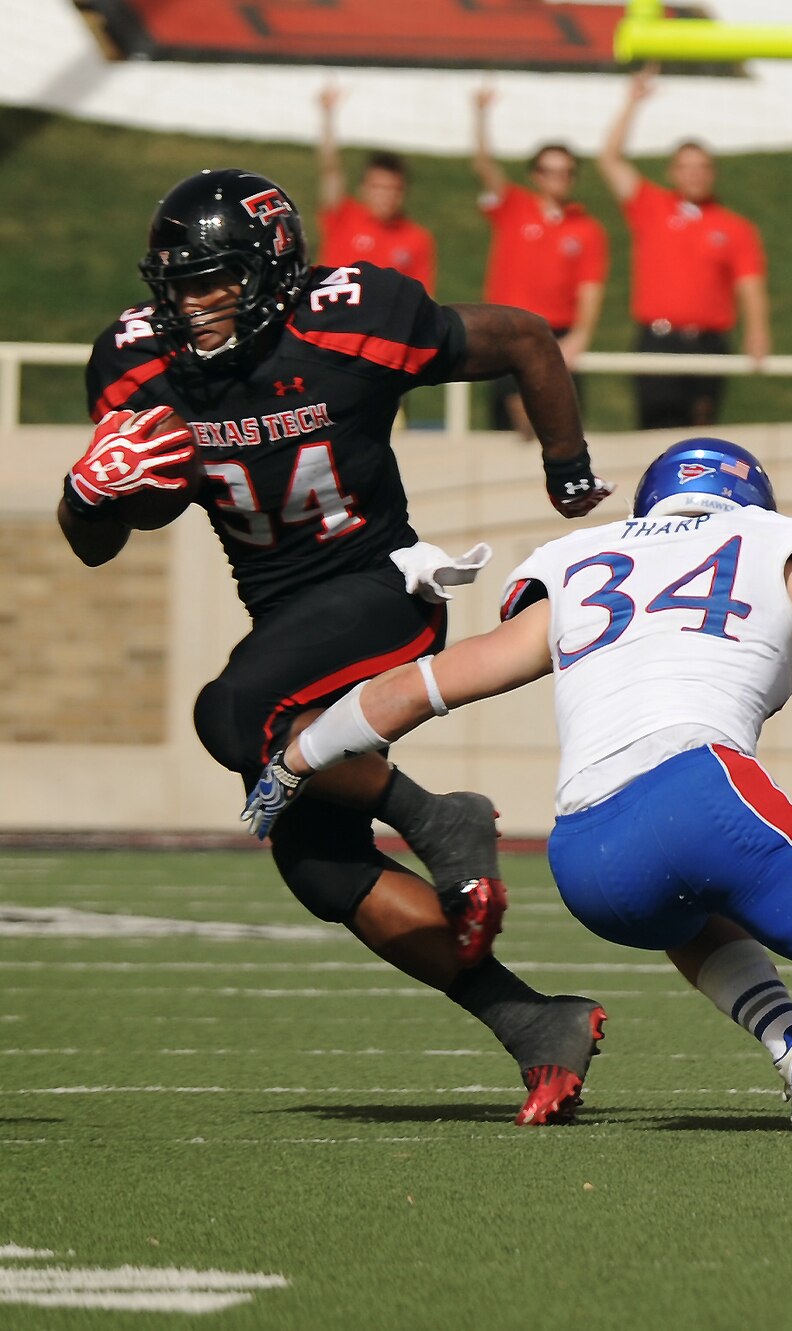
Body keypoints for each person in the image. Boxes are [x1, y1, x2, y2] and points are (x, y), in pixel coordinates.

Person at [244, 437, 792, 1145]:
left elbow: (416, 689)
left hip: (586, 853)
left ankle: (791, 1042)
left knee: (687, 904)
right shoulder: (778, 551)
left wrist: (292, 761)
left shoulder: (579, 566)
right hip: (700, 790)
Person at [62, 168, 620, 1126]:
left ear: (273, 271)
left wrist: (567, 470)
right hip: (283, 620)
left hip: (380, 589)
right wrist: (88, 493)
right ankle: (536, 1022)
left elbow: (528, 337)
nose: (191, 308)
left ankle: (440, 820)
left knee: (235, 713)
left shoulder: (352, 320)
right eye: (179, 285)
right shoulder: (139, 367)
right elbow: (96, 542)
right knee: (318, 863)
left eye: (214, 283)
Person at [598, 64, 771, 429]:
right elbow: (609, 160)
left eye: (702, 167)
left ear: (713, 173)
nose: (694, 174)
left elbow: (749, 285)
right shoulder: (651, 207)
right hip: (657, 340)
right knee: (655, 433)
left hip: (708, 343)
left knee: (700, 435)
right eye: (686, 167)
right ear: (673, 173)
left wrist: (757, 332)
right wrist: (632, 102)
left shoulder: (735, 227)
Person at [473, 88, 609, 438]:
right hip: (505, 328)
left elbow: (590, 288)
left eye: (566, 172)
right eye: (550, 171)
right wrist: (481, 115)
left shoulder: (588, 229)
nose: (558, 178)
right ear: (536, 175)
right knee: (505, 432)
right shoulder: (514, 206)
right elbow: (484, 166)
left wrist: (580, 336)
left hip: (555, 336)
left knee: (560, 432)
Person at [315, 85, 436, 292]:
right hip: (330, 321)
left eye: (393, 189)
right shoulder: (344, 215)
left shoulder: (417, 239)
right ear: (363, 189)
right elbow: (330, 169)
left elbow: (423, 298)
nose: (386, 196)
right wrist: (328, 115)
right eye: (378, 188)